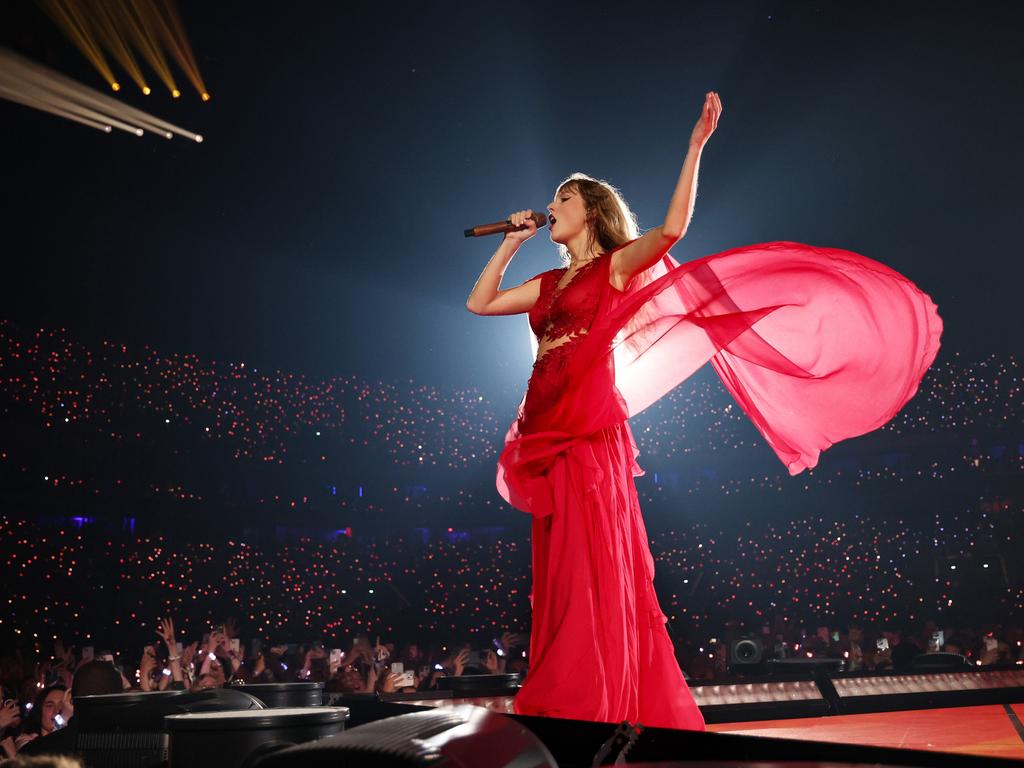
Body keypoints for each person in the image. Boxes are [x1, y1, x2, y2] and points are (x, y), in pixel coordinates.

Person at [466, 91, 941, 730]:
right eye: (553, 201)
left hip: (586, 425)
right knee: (555, 570)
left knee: (589, 566)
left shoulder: (612, 268)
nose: (552, 207)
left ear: (593, 212)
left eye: (564, 200)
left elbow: (670, 233)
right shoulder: (549, 285)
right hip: (545, 420)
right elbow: (481, 303)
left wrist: (694, 147)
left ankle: (593, 698)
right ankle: (570, 687)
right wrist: (514, 242)